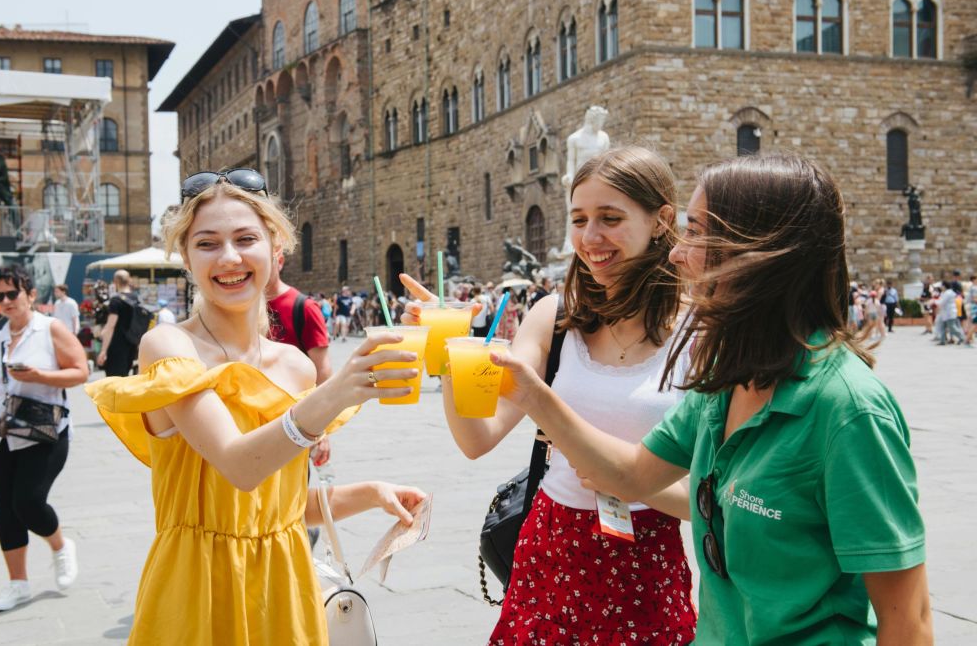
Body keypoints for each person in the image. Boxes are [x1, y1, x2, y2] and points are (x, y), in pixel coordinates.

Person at [493, 153, 932, 644]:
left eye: (696, 233)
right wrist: (534, 396)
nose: (676, 254)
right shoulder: (726, 381)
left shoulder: (847, 410)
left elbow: (909, 622)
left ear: (760, 250)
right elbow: (632, 474)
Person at [84, 170, 426, 644]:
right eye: (207, 243)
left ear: (275, 247)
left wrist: (372, 492)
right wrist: (338, 391)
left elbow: (276, 509)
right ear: (185, 255)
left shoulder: (295, 366)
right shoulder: (169, 346)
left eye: (246, 239)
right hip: (197, 592)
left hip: (284, 592)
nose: (229, 257)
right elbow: (240, 467)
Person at [402, 146, 697, 644]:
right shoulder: (554, 317)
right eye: (579, 220)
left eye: (610, 218)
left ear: (661, 220)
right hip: (552, 553)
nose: (590, 237)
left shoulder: (699, 333)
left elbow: (709, 500)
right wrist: (450, 352)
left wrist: (624, 477)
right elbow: (478, 438)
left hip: (646, 563)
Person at [0, 264, 86, 612]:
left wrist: (40, 375)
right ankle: (18, 584)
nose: (6, 301)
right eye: (0, 296)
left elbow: (81, 371)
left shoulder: (50, 329)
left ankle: (60, 546)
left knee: (27, 502)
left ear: (30, 294)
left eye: (12, 293)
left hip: (43, 432)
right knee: (5, 509)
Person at [265, 253, 333, 466]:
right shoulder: (241, 308)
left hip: (294, 426)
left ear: (279, 261)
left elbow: (323, 373)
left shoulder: (304, 307)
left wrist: (321, 428)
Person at [96, 270, 137, 377]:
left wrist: (103, 350)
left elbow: (111, 326)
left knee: (114, 379)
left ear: (115, 281)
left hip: (116, 345)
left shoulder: (116, 300)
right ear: (129, 280)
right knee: (125, 377)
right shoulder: (136, 298)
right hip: (131, 344)